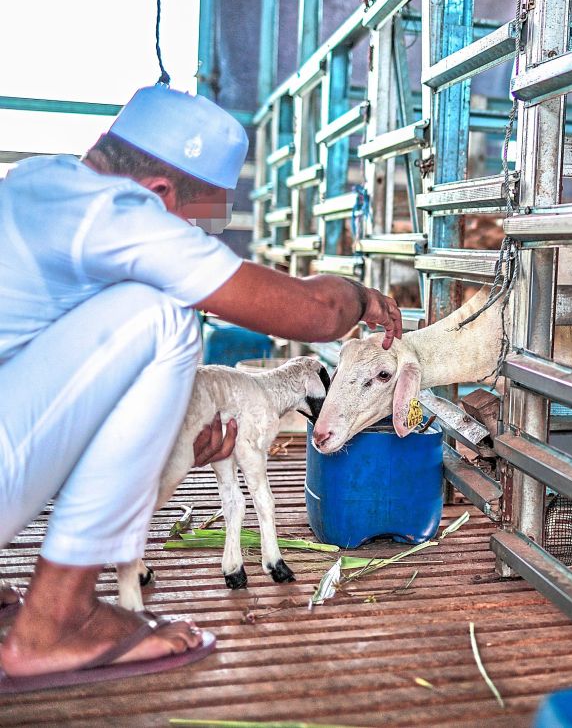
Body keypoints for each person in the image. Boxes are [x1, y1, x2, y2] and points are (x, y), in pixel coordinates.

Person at [0, 85, 402, 692]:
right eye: (196, 226)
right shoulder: (116, 212)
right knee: (162, 317)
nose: (199, 239)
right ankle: (58, 620)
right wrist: (359, 296)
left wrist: (166, 436)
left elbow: (48, 386)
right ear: (159, 194)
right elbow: (313, 314)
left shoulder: (36, 182)